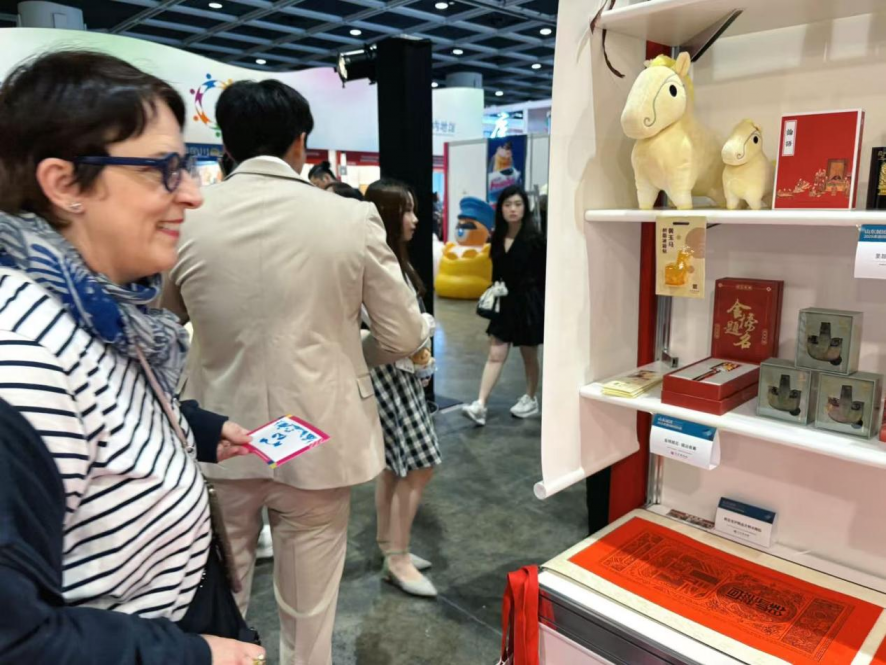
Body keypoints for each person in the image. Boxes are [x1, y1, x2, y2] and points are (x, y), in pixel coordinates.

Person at [0, 50, 265, 663]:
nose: (193, 195)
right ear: (65, 184)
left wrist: (197, 429)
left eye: (188, 166)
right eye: (163, 170)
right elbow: (16, 639)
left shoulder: (100, 305)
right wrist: (192, 655)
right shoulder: (23, 357)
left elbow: (100, 419)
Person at [163, 79, 429, 665]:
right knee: (310, 622)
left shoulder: (187, 220)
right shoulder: (351, 218)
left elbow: (161, 327)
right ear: (300, 142)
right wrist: (347, 351)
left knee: (217, 605)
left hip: (217, 439)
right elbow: (404, 335)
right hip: (319, 436)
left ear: (226, 145)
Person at [363, 180, 442, 599]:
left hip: (395, 372)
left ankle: (389, 546)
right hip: (390, 374)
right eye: (405, 211)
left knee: (395, 466)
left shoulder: (390, 260)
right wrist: (423, 328)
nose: (414, 219)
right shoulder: (380, 265)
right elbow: (397, 330)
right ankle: (397, 557)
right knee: (420, 463)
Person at [462, 185, 546, 426]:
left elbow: (542, 276)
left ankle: (530, 398)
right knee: (495, 354)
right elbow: (496, 273)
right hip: (504, 302)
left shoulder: (536, 240)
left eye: (518, 204)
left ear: (525, 207)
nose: (513, 209)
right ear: (501, 209)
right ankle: (480, 404)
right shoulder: (497, 237)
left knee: (529, 355)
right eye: (508, 205)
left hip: (527, 303)